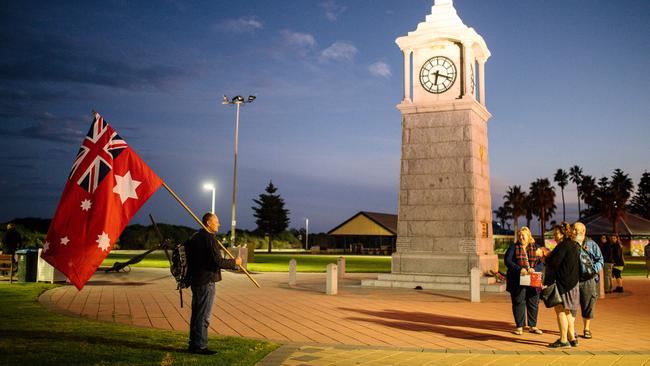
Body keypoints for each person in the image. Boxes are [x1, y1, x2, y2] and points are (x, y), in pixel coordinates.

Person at [186, 213, 241, 355]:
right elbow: (218, 262)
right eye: (216, 221)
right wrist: (235, 262)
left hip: (196, 280)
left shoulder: (196, 237)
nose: (219, 224)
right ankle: (200, 346)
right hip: (206, 281)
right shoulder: (209, 239)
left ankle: (194, 343)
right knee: (203, 315)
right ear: (209, 223)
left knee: (197, 314)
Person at [543, 222, 580, 348]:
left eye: (557, 233)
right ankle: (572, 338)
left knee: (560, 310)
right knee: (568, 311)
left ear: (563, 233)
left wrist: (544, 257)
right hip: (573, 283)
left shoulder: (562, 246)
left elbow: (553, 263)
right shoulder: (573, 245)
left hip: (564, 284)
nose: (554, 235)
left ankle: (564, 340)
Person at [504, 227, 544, 335]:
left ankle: (533, 326)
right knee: (518, 302)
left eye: (523, 235)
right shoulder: (513, 247)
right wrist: (519, 269)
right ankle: (520, 327)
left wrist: (534, 269)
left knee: (533, 302)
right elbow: (507, 261)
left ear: (529, 236)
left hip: (533, 279)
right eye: (520, 235)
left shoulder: (536, 247)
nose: (521, 237)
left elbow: (542, 262)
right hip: (517, 279)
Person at [573, 222, 603, 339]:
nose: (575, 232)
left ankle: (586, 328)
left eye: (577, 230)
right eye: (573, 230)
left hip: (588, 280)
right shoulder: (570, 244)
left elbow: (600, 259)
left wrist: (592, 270)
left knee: (588, 304)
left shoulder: (591, 244)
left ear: (584, 231)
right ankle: (572, 328)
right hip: (573, 280)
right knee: (572, 305)